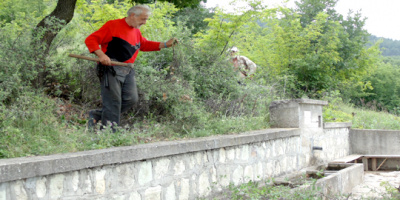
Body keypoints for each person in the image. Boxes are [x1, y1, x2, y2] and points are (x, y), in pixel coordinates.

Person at [85, 4, 178, 131]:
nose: (145, 22)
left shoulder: (136, 30)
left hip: (128, 69)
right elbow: (91, 39)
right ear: (133, 15)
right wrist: (101, 55)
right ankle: (108, 133)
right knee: (113, 102)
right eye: (143, 19)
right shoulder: (113, 25)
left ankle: (96, 115)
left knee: (131, 99)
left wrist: (165, 45)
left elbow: (143, 44)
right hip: (110, 68)